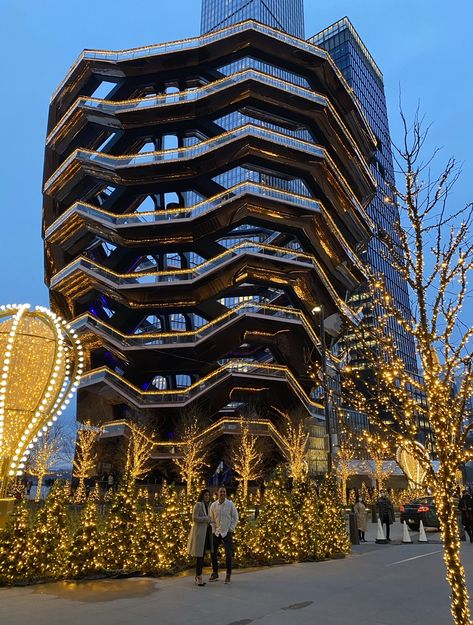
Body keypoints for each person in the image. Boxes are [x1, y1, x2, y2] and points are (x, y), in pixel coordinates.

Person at [209, 486, 239, 583]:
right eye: (221, 492)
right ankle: (215, 573)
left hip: (227, 532)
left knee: (228, 554)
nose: (222, 493)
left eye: (224, 492)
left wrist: (230, 529)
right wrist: (214, 530)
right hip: (217, 533)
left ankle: (228, 574)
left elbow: (235, 517)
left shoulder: (230, 504)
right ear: (217, 493)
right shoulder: (213, 505)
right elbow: (211, 519)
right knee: (213, 553)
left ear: (226, 493)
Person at [187, 489, 213, 586]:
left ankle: (199, 575)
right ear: (202, 496)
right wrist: (206, 519)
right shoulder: (198, 505)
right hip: (199, 534)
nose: (207, 497)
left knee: (203, 554)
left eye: (208, 495)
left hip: (207, 534)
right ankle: (199, 576)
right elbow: (194, 518)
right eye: (205, 495)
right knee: (199, 556)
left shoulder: (210, 505)